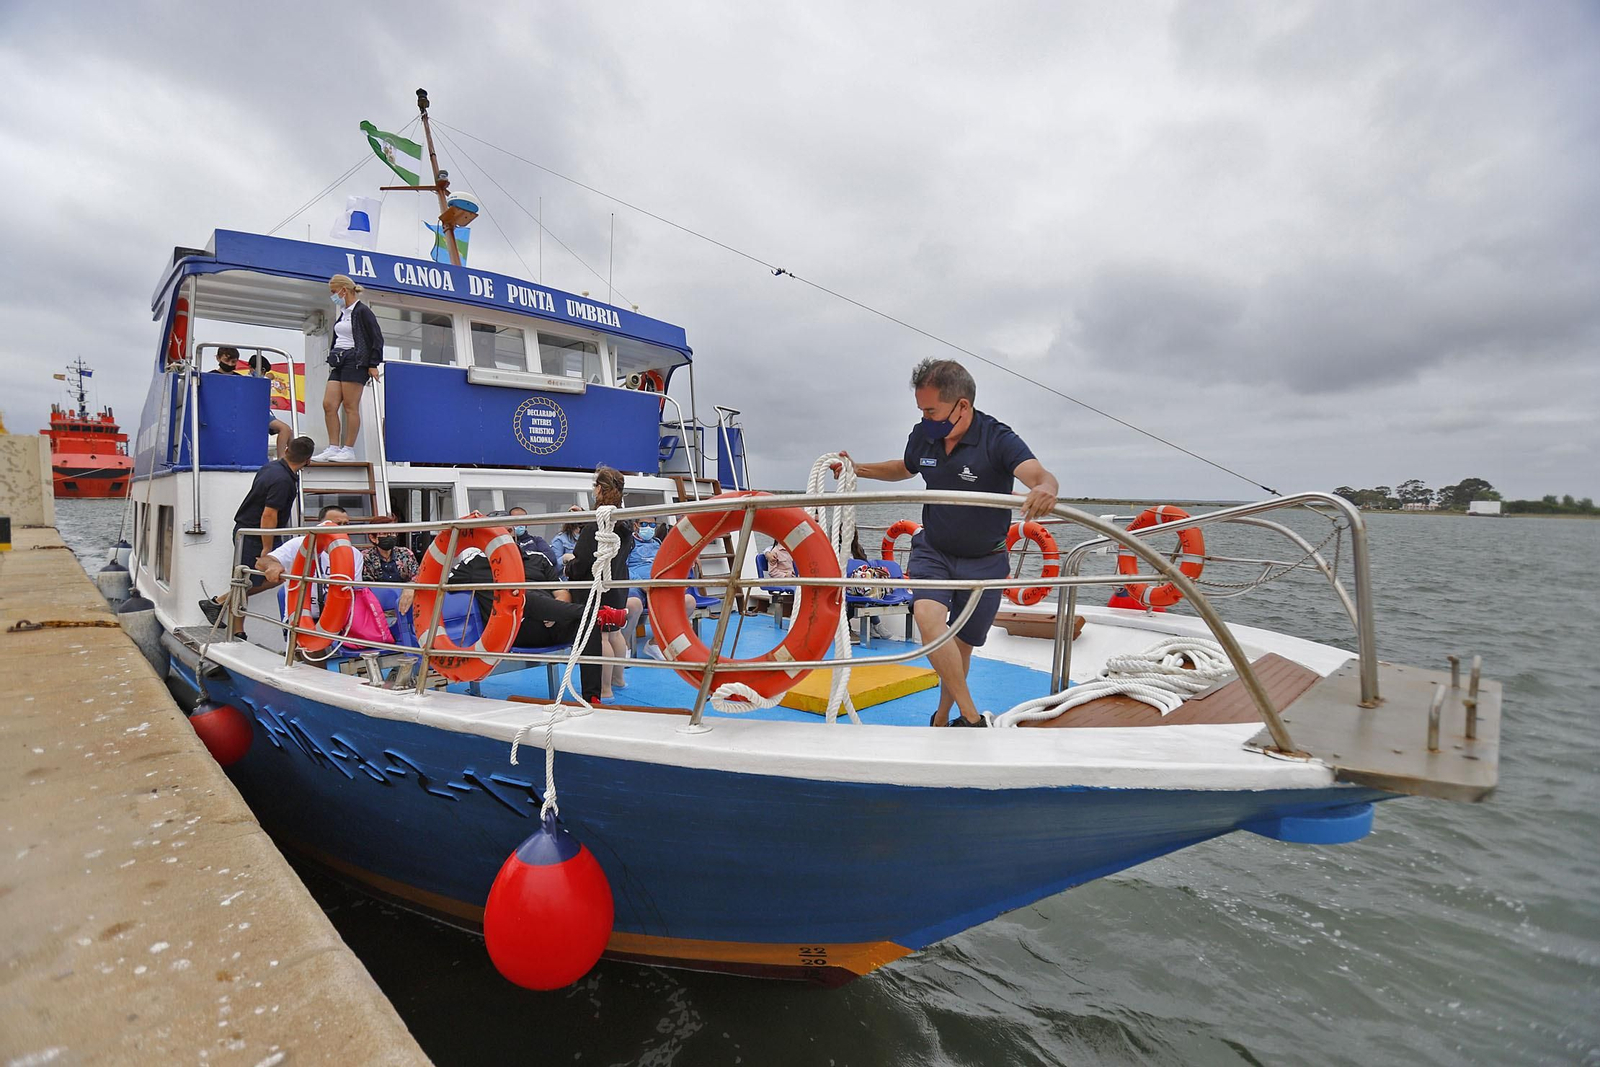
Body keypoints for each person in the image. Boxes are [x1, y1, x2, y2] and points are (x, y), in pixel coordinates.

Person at [837, 359, 1059, 727]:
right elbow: (904, 468)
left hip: (984, 560)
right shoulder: (924, 434)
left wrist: (1046, 488)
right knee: (927, 616)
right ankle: (971, 717)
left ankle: (942, 717)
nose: (925, 419)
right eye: (921, 410)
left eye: (931, 410)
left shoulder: (997, 438)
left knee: (961, 646)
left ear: (962, 406)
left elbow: (1037, 473)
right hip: (934, 549)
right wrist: (856, 468)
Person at [449, 537, 626, 703]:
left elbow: (561, 592)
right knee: (518, 595)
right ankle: (596, 612)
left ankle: (591, 698)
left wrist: (555, 611)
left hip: (551, 623)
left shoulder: (537, 559)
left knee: (588, 625)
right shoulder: (474, 564)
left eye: (508, 530)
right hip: (513, 629)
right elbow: (440, 584)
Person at [199, 435, 316, 636]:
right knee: (248, 580)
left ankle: (231, 621)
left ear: (287, 450)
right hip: (255, 535)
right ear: (308, 460)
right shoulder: (282, 480)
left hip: (251, 531)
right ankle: (224, 610)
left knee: (257, 579)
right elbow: (269, 514)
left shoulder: (270, 468)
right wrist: (267, 549)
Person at [569, 467, 635, 698]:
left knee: (602, 637)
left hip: (600, 590)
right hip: (618, 587)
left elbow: (582, 563)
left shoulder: (594, 528)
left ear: (598, 489)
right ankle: (619, 679)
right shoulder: (624, 522)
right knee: (615, 633)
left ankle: (604, 689)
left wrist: (569, 563)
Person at [312, 274, 384, 463]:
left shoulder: (362, 311)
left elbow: (377, 338)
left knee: (350, 406)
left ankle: (348, 449)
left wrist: (373, 364)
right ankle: (333, 447)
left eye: (334, 292)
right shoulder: (344, 312)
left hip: (356, 359)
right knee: (329, 404)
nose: (333, 296)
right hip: (339, 359)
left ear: (344, 290)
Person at [258, 506, 365, 620]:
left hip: (338, 621)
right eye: (337, 524)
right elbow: (262, 562)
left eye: (346, 525)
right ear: (321, 525)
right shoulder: (298, 544)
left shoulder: (354, 554)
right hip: (300, 621)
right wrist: (273, 565)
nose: (342, 530)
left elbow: (355, 591)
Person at [243, 353, 294, 460]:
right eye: (262, 370)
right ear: (251, 368)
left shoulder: (260, 380)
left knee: (290, 432)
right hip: (256, 415)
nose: (263, 373)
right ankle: (281, 457)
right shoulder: (248, 380)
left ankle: (293, 456)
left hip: (262, 413)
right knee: (284, 429)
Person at [363, 526, 419, 614]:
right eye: (384, 534)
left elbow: (417, 576)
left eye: (392, 533)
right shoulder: (366, 557)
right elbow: (367, 587)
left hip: (406, 605)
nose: (389, 536)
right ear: (373, 538)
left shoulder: (405, 553)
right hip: (378, 609)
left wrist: (411, 586)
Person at [549, 506, 583, 573]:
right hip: (568, 579)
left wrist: (584, 512)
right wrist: (564, 559)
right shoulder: (560, 539)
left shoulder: (592, 535)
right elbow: (552, 570)